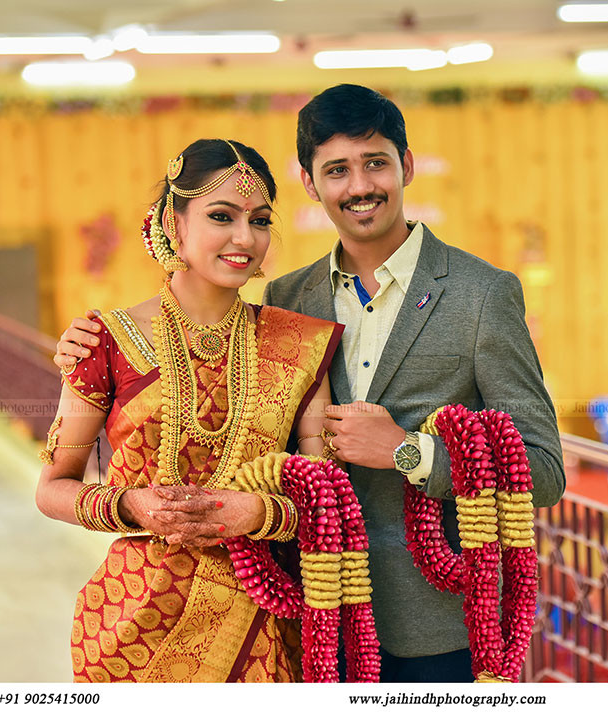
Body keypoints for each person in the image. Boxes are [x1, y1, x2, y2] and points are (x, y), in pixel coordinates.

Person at [54, 84, 565, 682]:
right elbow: (284, 460)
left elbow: (545, 470)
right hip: (307, 615)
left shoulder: (481, 295)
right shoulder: (290, 300)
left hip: (433, 619)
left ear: (406, 164)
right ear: (309, 181)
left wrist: (407, 451)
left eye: (376, 162)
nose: (360, 187)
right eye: (337, 170)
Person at [37, 138, 343, 682]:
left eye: (261, 220)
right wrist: (131, 505)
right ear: (172, 224)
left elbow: (329, 497)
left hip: (258, 623)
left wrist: (257, 514)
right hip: (132, 632)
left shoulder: (296, 345)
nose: (245, 238)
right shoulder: (105, 342)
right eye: (221, 216)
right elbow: (52, 487)